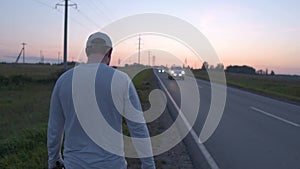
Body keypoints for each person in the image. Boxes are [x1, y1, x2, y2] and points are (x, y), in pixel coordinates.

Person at [47, 32, 156, 169]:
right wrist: (148, 164)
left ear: (87, 52)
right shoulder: (121, 80)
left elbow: (54, 129)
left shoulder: (64, 81)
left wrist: (53, 160)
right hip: (112, 164)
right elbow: (138, 128)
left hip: (75, 164)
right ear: (110, 52)